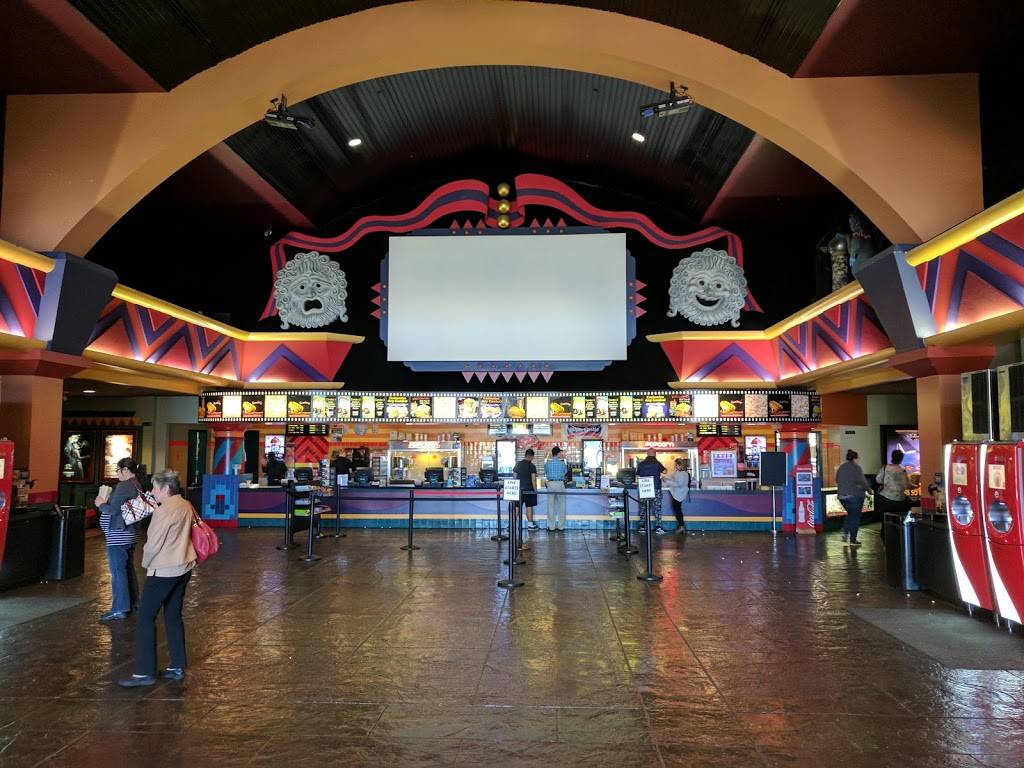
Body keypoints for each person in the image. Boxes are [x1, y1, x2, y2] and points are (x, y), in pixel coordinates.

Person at [118, 469, 197, 687]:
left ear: (165, 488)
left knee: (145, 617)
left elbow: (153, 544)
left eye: (154, 487)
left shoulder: (164, 510)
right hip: (184, 565)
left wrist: (146, 563)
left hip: (164, 569)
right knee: (172, 614)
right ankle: (177, 665)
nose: (152, 491)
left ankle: (144, 672)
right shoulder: (185, 504)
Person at [94, 457, 143, 623]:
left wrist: (101, 504)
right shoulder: (137, 484)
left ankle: (119, 609)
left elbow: (113, 510)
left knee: (117, 572)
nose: (117, 474)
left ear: (125, 470)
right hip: (130, 533)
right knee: (128, 568)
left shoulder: (124, 485)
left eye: (118, 470)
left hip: (118, 534)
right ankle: (134, 602)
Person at [836, 449, 871, 547]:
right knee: (855, 517)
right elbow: (863, 481)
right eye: (858, 458)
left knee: (851, 514)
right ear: (855, 459)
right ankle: (853, 540)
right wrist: (869, 490)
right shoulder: (856, 467)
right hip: (854, 496)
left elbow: (837, 480)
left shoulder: (841, 467)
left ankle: (845, 532)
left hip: (842, 496)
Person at [876, 449, 911, 529]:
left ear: (892, 457)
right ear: (901, 459)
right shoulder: (903, 470)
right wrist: (916, 485)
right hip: (900, 501)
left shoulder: (885, 467)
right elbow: (906, 485)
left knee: (885, 522)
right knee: (898, 523)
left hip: (885, 499)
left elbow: (878, 480)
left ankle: (885, 535)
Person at [636, 448, 667, 534]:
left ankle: (642, 527)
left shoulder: (641, 464)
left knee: (643, 508)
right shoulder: (657, 463)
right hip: (656, 488)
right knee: (657, 508)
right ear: (655, 454)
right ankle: (658, 527)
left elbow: (637, 475)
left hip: (644, 488)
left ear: (647, 454)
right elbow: (665, 471)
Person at [544, 446, 568, 532]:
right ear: (557, 453)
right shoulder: (562, 463)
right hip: (560, 484)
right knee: (561, 505)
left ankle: (551, 527)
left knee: (550, 506)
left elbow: (546, 473)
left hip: (550, 484)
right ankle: (561, 527)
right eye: (560, 453)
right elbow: (565, 472)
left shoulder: (547, 463)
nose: (561, 454)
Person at [513, 448, 539, 530]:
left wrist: (514, 489)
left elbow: (514, 477)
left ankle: (512, 525)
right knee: (529, 506)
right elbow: (533, 479)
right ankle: (530, 525)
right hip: (529, 490)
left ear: (525, 455)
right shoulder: (532, 466)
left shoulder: (518, 464)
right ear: (532, 456)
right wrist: (535, 490)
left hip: (518, 490)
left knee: (516, 506)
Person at [665, 458, 692, 534]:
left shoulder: (683, 474)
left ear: (681, 465)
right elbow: (671, 477)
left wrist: (667, 482)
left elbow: (679, 484)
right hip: (676, 494)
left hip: (679, 494)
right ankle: (681, 526)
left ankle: (681, 526)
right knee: (677, 510)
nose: (675, 466)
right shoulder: (677, 472)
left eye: (676, 465)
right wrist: (665, 478)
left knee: (678, 510)